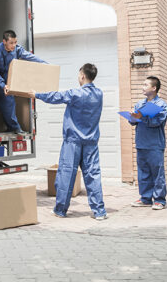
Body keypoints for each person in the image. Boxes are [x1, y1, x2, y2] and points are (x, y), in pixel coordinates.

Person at [28, 63, 107, 220]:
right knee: (93, 175)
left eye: (79, 74)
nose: (78, 77)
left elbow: (56, 97)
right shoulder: (99, 94)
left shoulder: (75, 93)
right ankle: (99, 211)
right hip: (91, 142)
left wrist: (36, 95)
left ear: (83, 76)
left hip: (73, 142)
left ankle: (60, 210)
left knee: (66, 175)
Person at [0, 30, 46, 134]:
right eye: (11, 43)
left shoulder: (17, 50)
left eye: (15, 42)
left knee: (9, 103)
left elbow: (29, 56)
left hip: (5, 79)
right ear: (4, 41)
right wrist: (3, 85)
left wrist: (44, 63)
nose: (14, 45)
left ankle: (14, 128)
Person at [129, 76, 167, 210]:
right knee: (143, 173)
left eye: (145, 84)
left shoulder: (161, 105)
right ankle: (145, 198)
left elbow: (157, 122)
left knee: (157, 173)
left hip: (155, 145)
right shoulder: (139, 104)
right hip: (141, 143)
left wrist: (142, 118)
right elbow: (132, 122)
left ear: (154, 88)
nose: (142, 87)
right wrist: (133, 118)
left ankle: (159, 200)